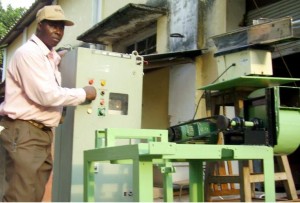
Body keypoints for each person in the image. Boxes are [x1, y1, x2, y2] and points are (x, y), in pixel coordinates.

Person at [0, 5, 97, 202]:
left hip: (41, 133)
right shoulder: (28, 53)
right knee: (21, 195)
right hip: (24, 131)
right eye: (53, 25)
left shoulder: (47, 56)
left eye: (61, 27)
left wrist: (58, 57)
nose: (58, 31)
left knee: (34, 195)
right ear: (40, 25)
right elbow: (46, 95)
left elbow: (49, 67)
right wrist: (84, 93)